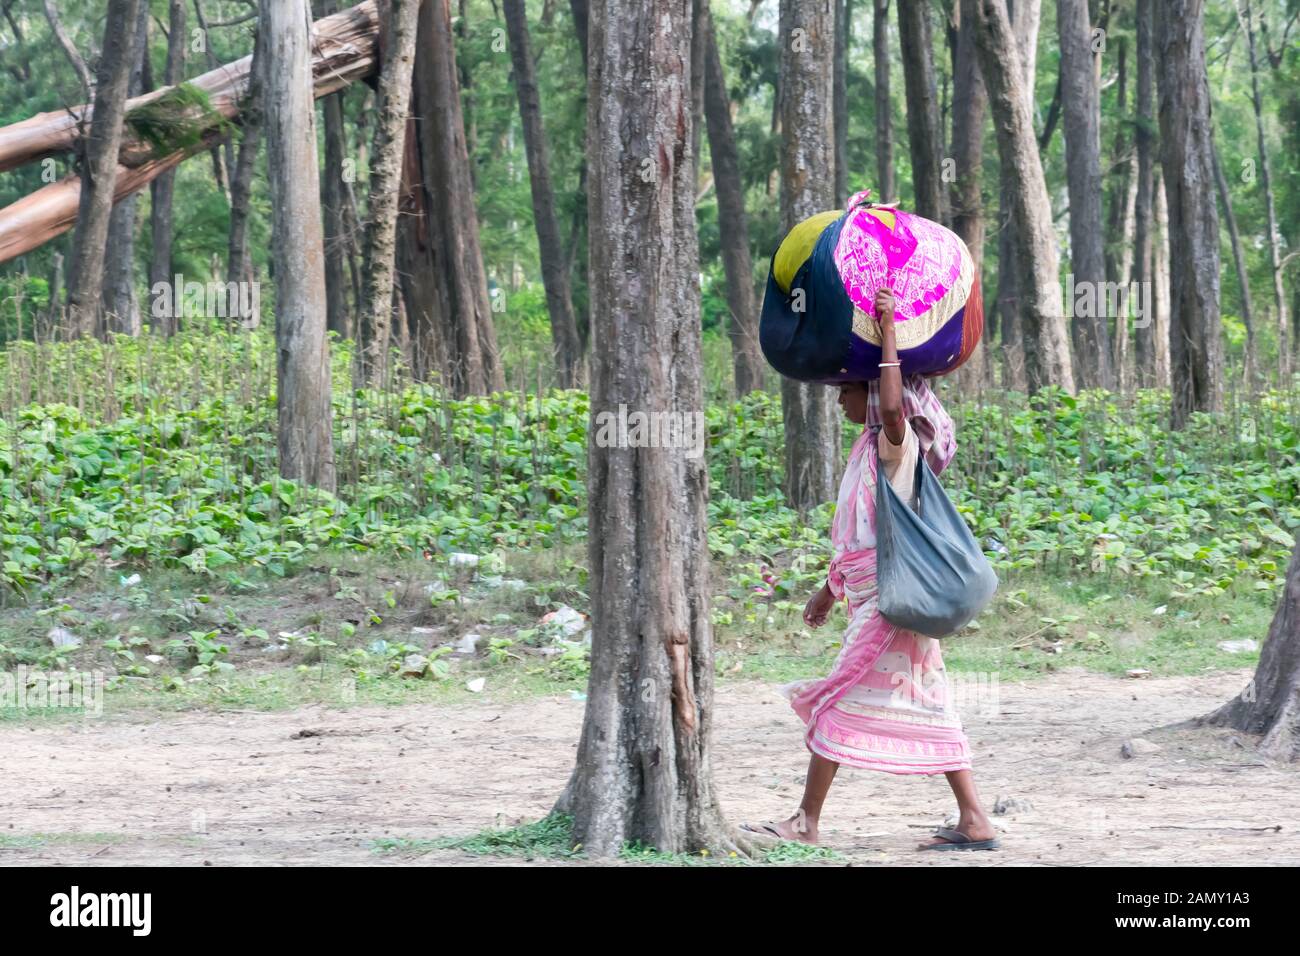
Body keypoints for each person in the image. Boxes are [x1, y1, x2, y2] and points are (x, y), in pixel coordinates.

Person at [742, 287, 1000, 852]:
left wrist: (887, 330)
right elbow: (860, 536)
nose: (839, 402)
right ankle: (975, 818)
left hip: (889, 602)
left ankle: (806, 822)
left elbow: (891, 407)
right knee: (932, 700)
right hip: (873, 596)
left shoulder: (896, 449)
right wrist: (827, 593)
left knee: (837, 697)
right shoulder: (865, 451)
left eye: (845, 391)